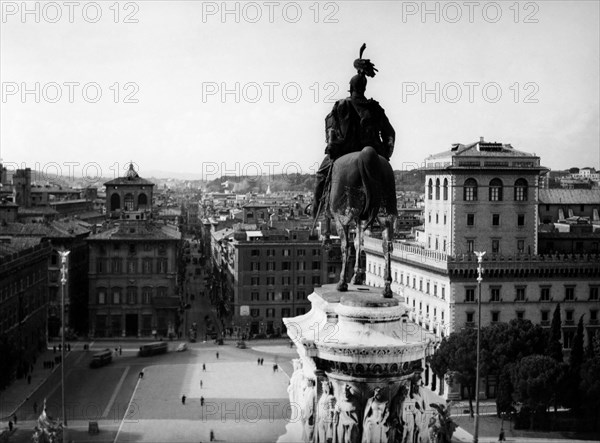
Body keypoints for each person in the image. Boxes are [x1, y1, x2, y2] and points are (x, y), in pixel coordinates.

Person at [312, 44, 395, 235]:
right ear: (364, 88)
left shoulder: (340, 105)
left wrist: (332, 148)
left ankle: (316, 211)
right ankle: (390, 211)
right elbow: (390, 134)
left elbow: (331, 133)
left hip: (344, 152)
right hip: (374, 151)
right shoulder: (375, 108)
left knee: (321, 177)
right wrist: (385, 156)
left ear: (350, 88)